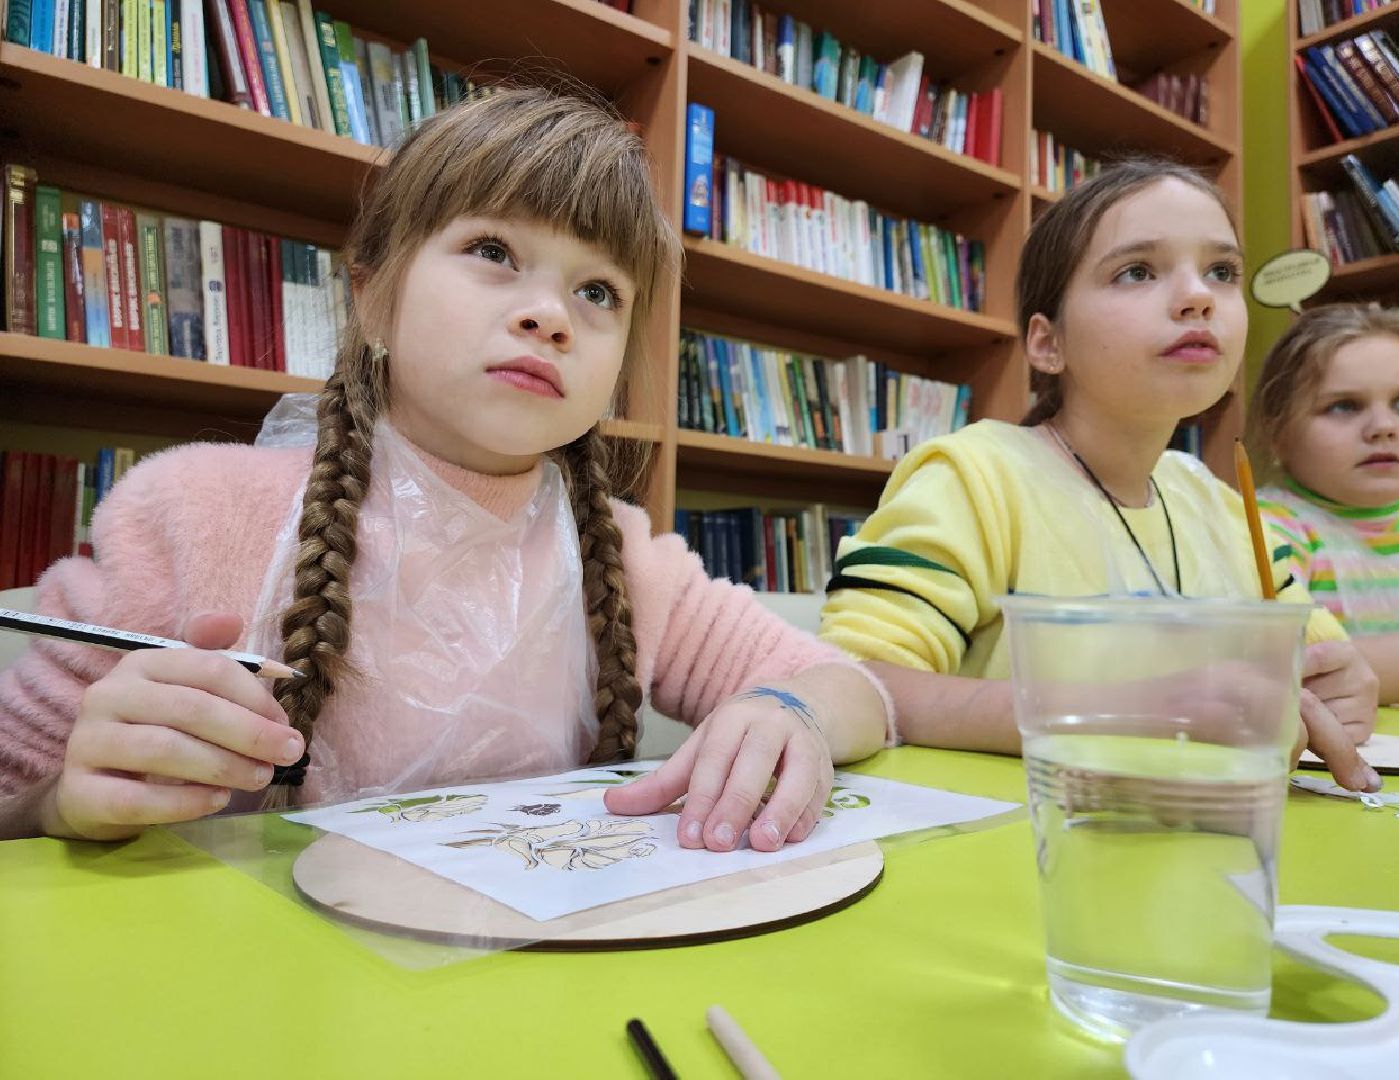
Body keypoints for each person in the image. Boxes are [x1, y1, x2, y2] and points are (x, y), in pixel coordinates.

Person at [0, 86, 890, 846]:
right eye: (494, 253)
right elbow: (14, 794)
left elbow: (855, 690)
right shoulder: (190, 512)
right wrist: (62, 804)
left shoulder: (626, 560)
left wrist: (792, 715)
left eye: (598, 292)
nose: (551, 315)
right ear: (373, 297)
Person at [820, 160, 1378, 792]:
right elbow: (850, 678)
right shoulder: (975, 479)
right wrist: (1122, 713)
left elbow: (1317, 669)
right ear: (1046, 343)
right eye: (1137, 271)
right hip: (1020, 851)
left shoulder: (1226, 510)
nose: (1199, 296)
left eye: (1221, 272)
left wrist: (1339, 688)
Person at [1254, 303, 1399, 705]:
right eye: (1344, 406)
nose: (1384, 428)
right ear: (1277, 432)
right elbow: (1285, 669)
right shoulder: (1267, 528)